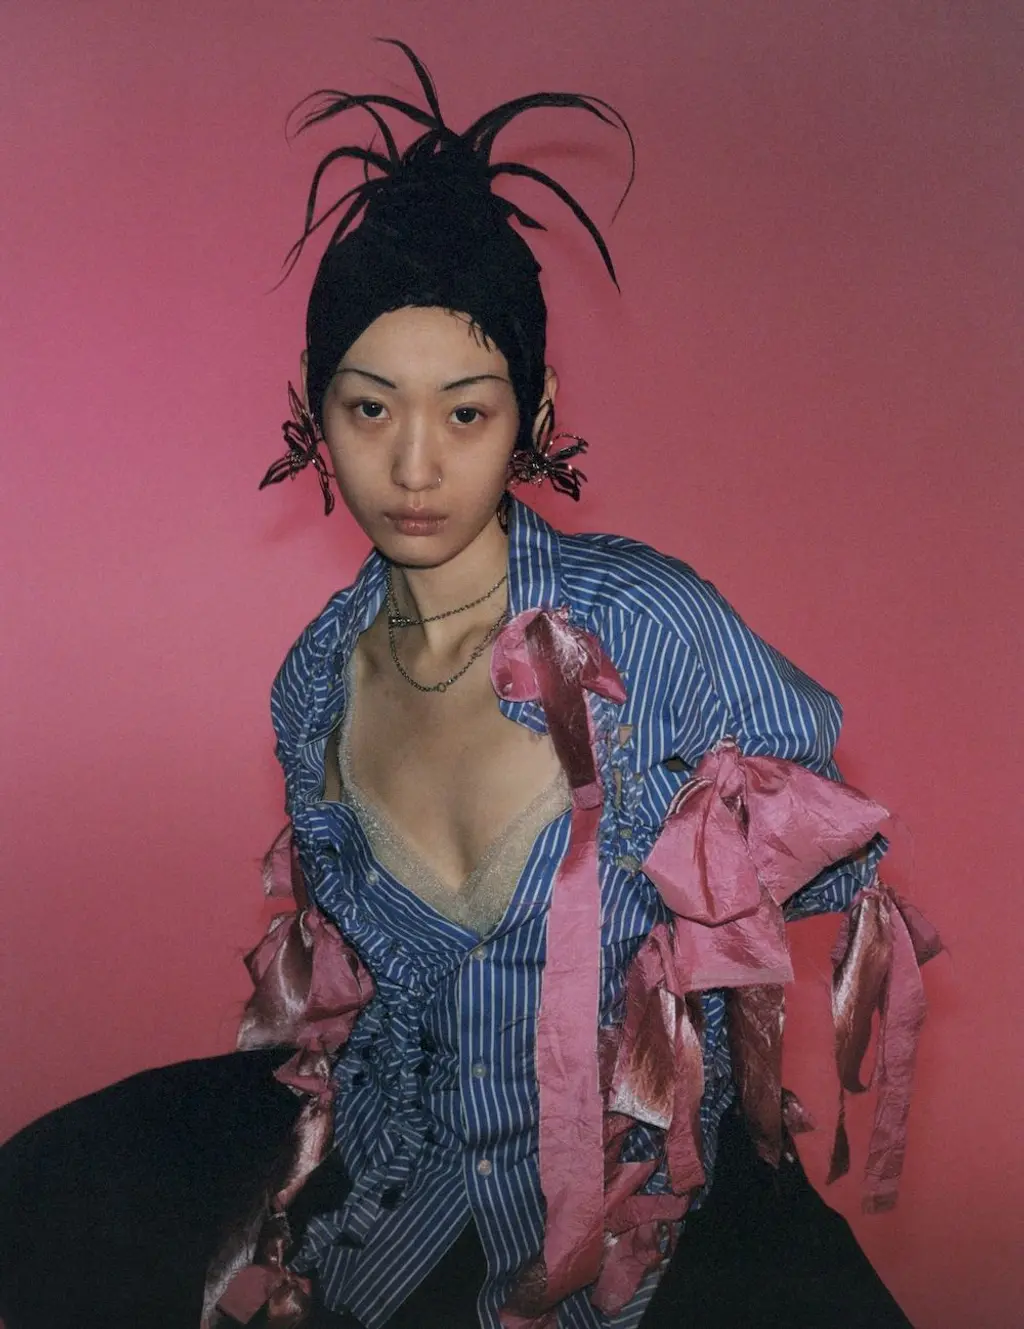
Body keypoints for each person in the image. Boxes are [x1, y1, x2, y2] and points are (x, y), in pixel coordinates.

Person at [0, 40, 939, 1329]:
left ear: (534, 414)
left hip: (648, 1230)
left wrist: (697, 975)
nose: (414, 467)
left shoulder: (652, 627)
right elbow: (363, 1001)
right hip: (401, 1215)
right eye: (369, 409)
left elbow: (825, 861)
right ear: (313, 414)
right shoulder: (312, 685)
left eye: (465, 411)